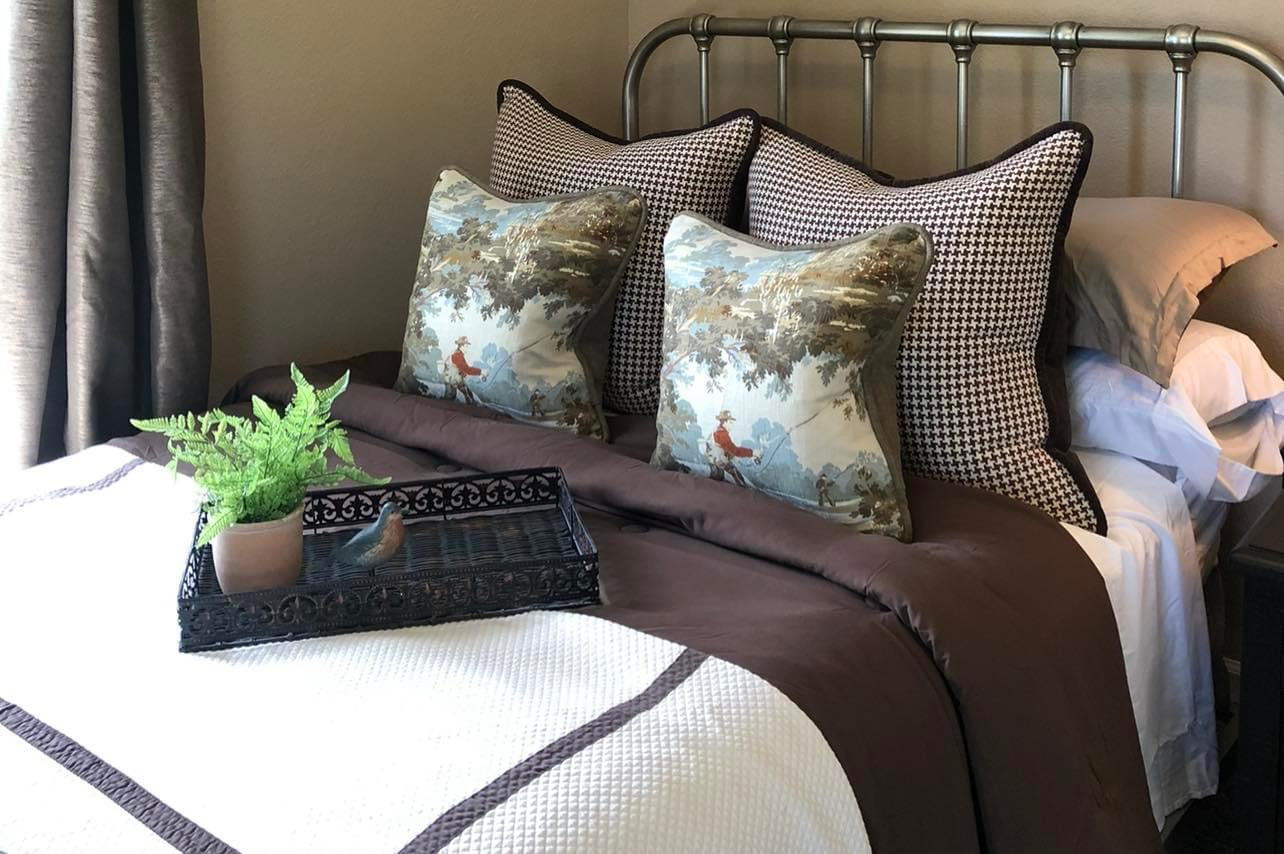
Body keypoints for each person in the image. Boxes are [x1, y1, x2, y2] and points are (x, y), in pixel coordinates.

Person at [709, 410, 758, 487]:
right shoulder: (722, 434)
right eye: (731, 422)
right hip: (717, 460)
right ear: (725, 422)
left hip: (716, 458)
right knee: (737, 476)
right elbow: (735, 451)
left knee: (722, 477)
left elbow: (728, 449)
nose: (732, 425)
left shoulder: (719, 430)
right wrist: (752, 453)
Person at [445, 335, 483, 404]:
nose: (468, 348)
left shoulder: (459, 354)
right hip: (453, 378)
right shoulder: (457, 355)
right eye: (466, 345)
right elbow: (467, 369)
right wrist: (480, 372)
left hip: (455, 377)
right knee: (452, 398)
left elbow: (464, 368)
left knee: (467, 393)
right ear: (462, 346)